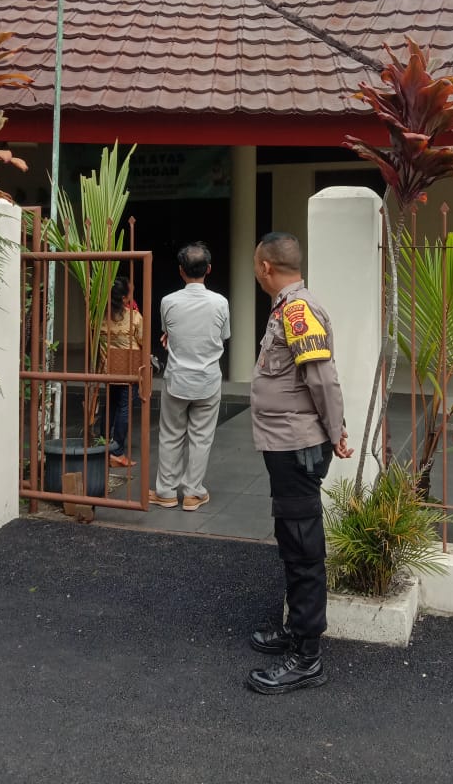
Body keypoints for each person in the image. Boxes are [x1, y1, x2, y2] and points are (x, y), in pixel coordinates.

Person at [247, 232, 352, 695]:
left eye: (256, 265)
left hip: (296, 446)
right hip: (285, 444)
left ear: (266, 267)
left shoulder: (297, 311)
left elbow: (322, 380)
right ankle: (296, 631)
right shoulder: (287, 308)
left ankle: (307, 658)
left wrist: (336, 430)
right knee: (292, 539)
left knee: (303, 546)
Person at [149, 242, 230, 511]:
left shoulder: (168, 301)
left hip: (177, 378)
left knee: (170, 435)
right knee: (201, 437)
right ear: (209, 269)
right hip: (208, 379)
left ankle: (166, 492)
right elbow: (223, 336)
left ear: (181, 271)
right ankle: (193, 493)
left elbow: (169, 332)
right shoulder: (220, 302)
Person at [98, 277, 142, 468]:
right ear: (124, 298)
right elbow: (143, 340)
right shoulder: (134, 317)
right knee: (124, 407)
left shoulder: (99, 317)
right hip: (128, 368)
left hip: (108, 367)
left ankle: (103, 447)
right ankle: (117, 452)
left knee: (109, 405)